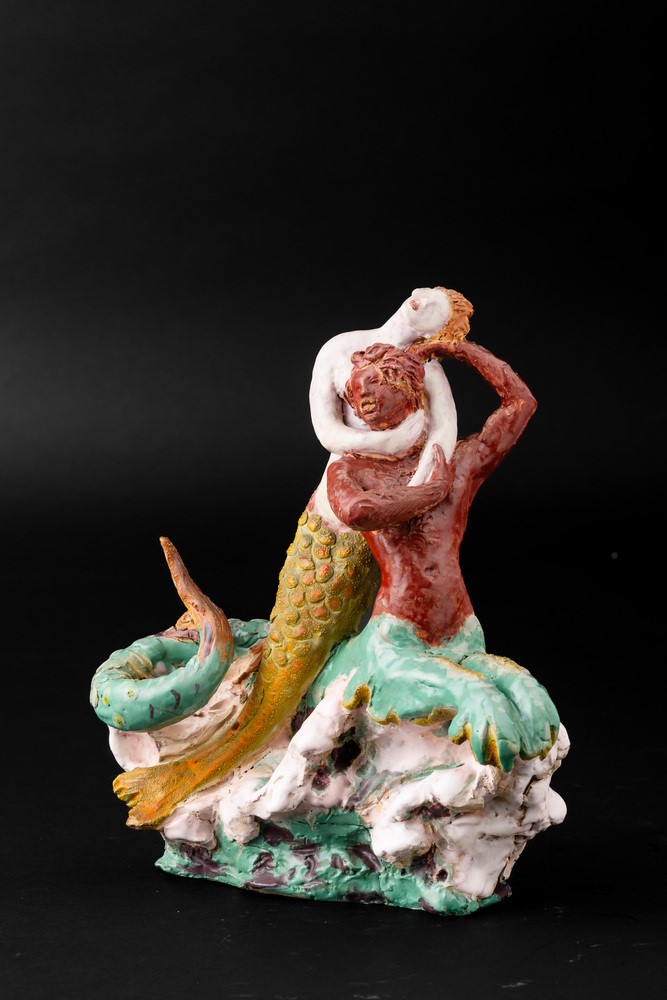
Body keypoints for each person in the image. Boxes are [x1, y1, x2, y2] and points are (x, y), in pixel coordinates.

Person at [113, 288, 470, 829]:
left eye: (433, 316)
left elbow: (443, 436)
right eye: (423, 298)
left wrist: (422, 484)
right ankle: (201, 765)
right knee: (300, 647)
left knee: (354, 628)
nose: (417, 308)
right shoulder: (342, 348)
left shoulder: (428, 373)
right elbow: (330, 433)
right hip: (343, 513)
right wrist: (400, 444)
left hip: (387, 512)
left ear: (435, 337)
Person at [319, 337, 559, 770]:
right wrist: (430, 493)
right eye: (354, 392)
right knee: (475, 690)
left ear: (408, 385)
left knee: (521, 686)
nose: (361, 396)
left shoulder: (456, 459)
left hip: (460, 623)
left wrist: (460, 351)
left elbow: (520, 404)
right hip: (397, 630)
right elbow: (357, 512)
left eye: (372, 382)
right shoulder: (352, 468)